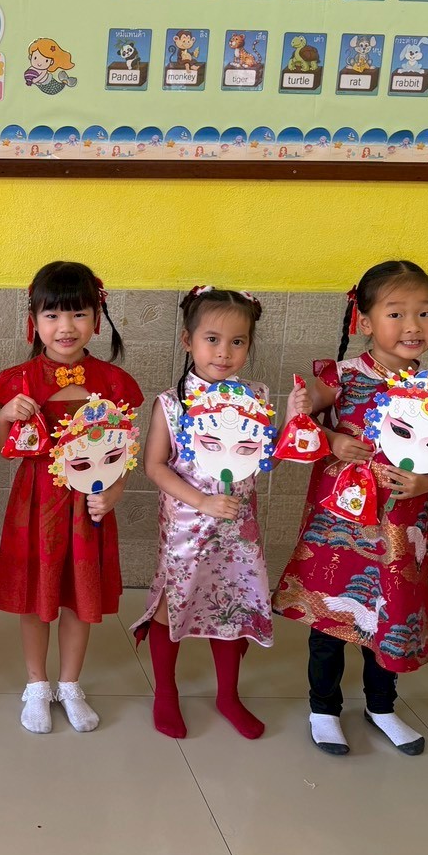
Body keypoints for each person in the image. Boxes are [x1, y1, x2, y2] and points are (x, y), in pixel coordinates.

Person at [273, 260, 428, 757]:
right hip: (339, 526)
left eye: (425, 313)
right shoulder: (343, 376)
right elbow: (299, 424)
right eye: (396, 313)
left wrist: (427, 481)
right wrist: (329, 436)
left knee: (389, 615)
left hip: (400, 527)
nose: (413, 326)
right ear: (365, 321)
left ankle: (382, 706)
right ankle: (323, 708)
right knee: (330, 621)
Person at [133, 287, 304, 740]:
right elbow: (154, 466)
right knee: (173, 603)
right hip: (186, 527)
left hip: (238, 529)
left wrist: (291, 419)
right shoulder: (172, 403)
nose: (224, 352)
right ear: (188, 340)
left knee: (234, 604)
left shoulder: (256, 396)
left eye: (237, 341)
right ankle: (165, 691)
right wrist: (202, 501)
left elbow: (266, 460)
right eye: (212, 339)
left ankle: (228, 695)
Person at [0, 261, 142, 733]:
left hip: (88, 503)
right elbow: (4, 449)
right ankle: (36, 683)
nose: (66, 326)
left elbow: (124, 452)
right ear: (33, 320)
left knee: (80, 595)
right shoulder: (18, 380)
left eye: (78, 314)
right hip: (36, 502)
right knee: (36, 594)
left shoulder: (113, 383)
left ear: (96, 319)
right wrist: (5, 417)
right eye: (52, 315)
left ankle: (70, 683)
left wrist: (115, 491)